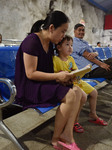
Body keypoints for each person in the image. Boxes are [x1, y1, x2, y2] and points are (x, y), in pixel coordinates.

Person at [15, 11, 81, 150]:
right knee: (69, 95)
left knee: (77, 91)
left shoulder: (49, 44)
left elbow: (48, 72)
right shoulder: (32, 41)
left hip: (42, 83)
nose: (63, 36)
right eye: (62, 31)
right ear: (51, 28)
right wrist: (57, 77)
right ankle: (56, 139)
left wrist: (63, 78)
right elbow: (30, 74)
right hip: (29, 87)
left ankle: (67, 133)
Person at [53, 35, 108, 133]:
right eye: (67, 45)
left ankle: (93, 114)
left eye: (71, 45)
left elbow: (76, 71)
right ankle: (75, 121)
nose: (70, 48)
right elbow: (56, 75)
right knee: (82, 97)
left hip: (78, 81)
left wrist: (84, 70)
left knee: (94, 92)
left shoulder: (71, 59)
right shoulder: (56, 60)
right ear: (59, 47)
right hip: (69, 84)